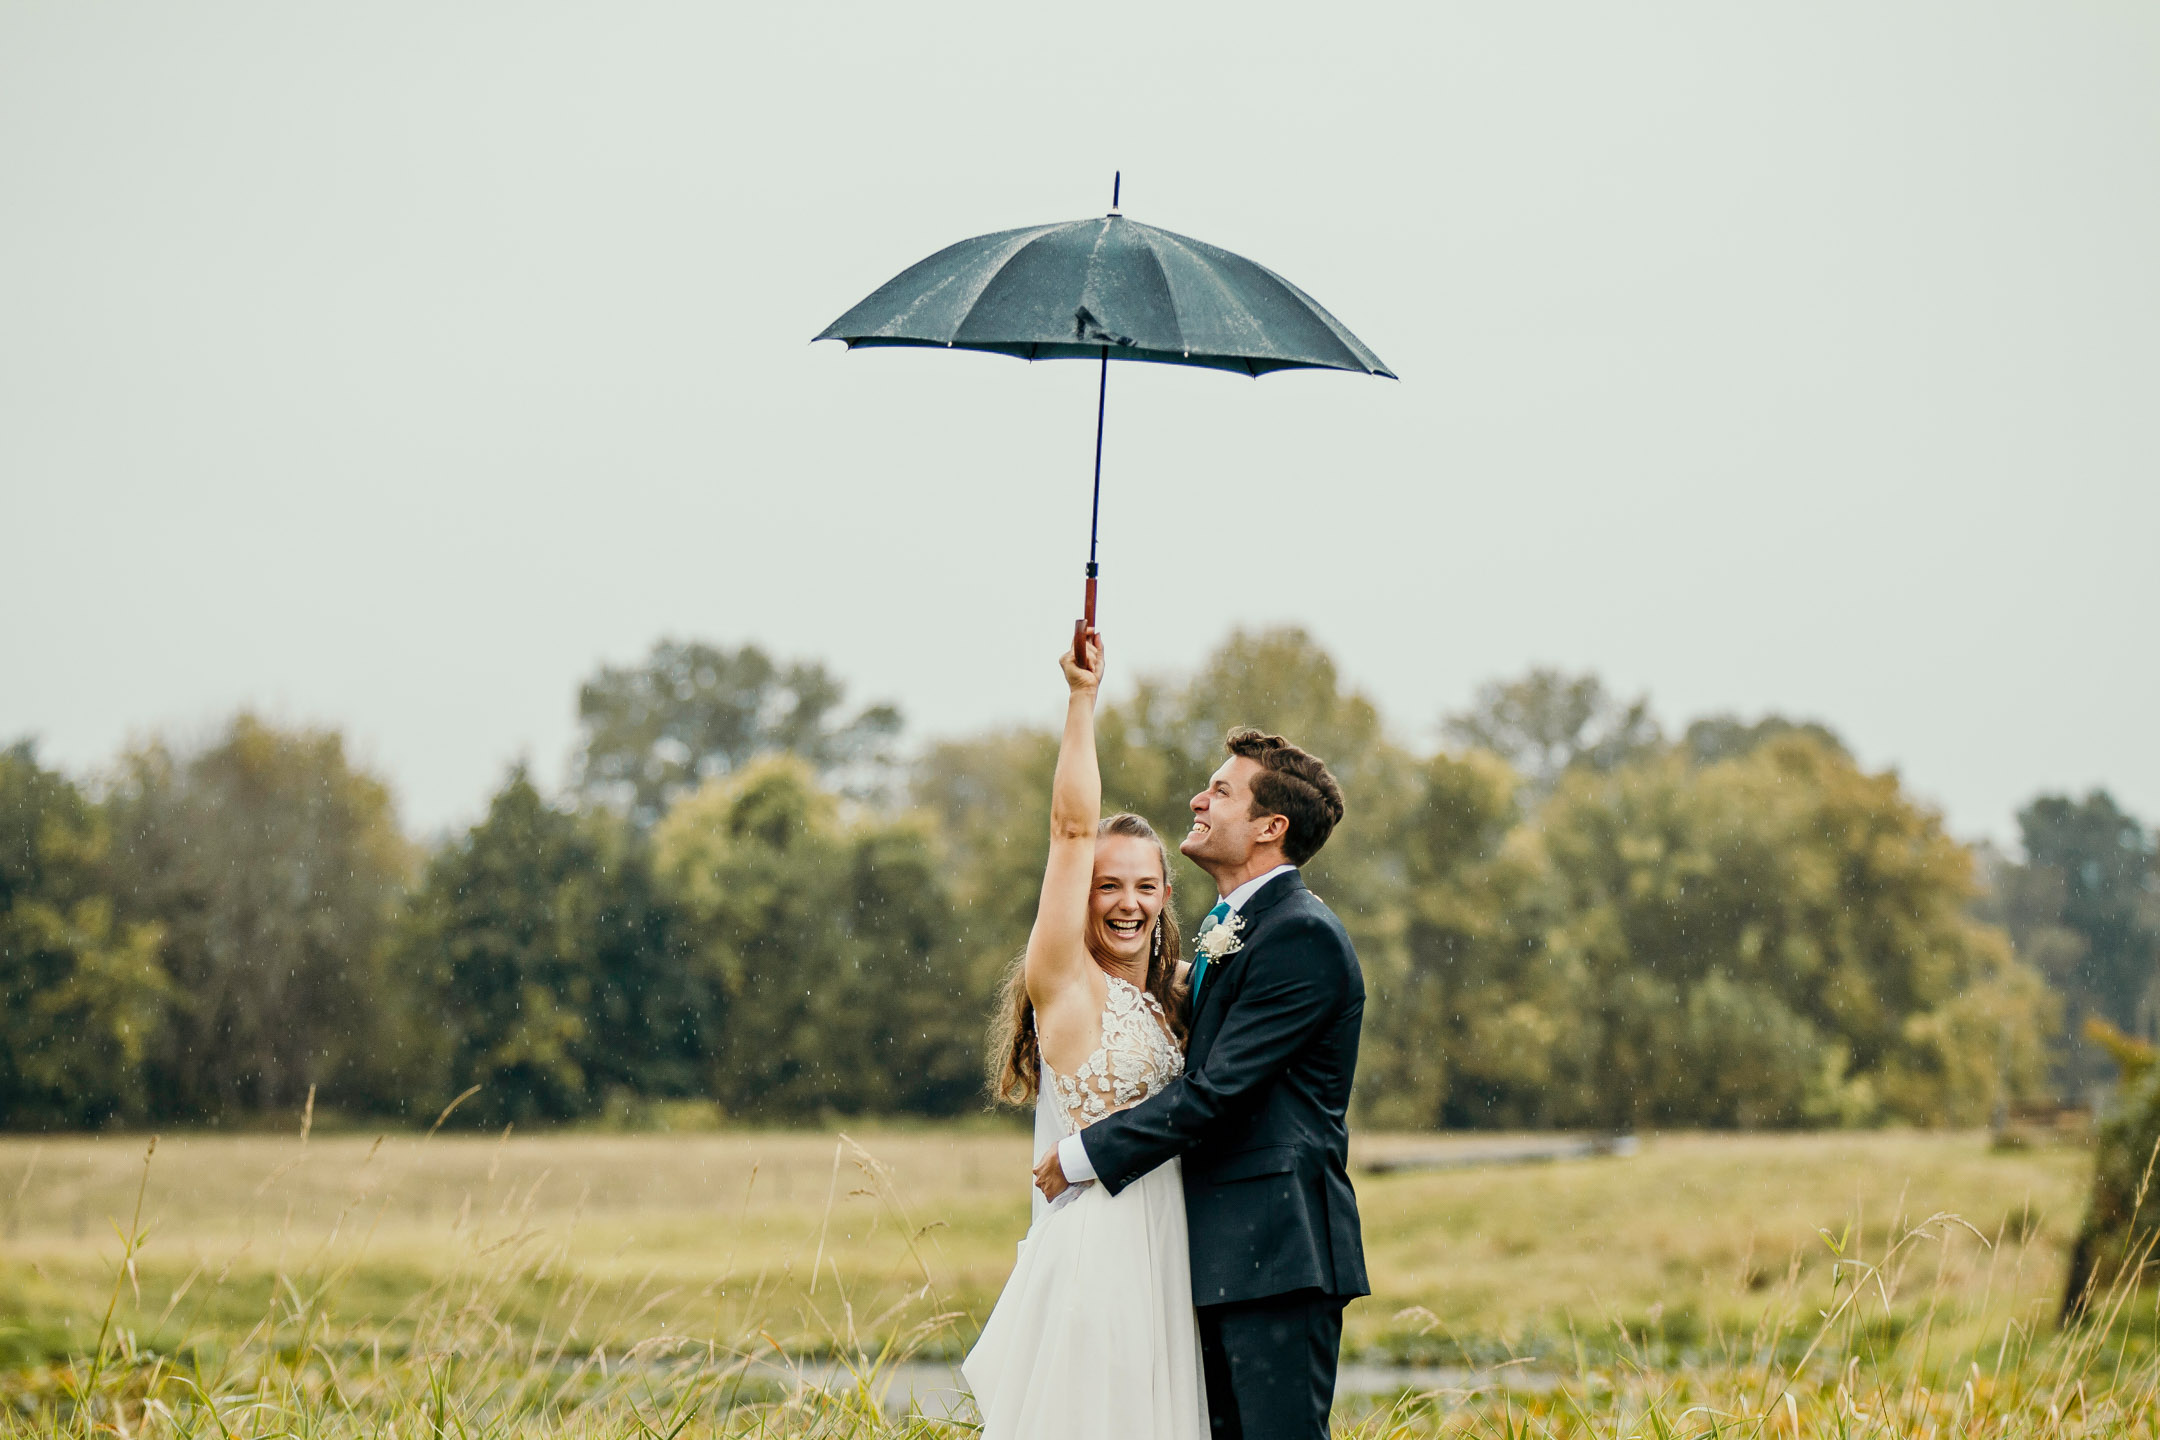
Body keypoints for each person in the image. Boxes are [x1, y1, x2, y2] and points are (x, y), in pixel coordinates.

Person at [1033, 711, 1366, 1440]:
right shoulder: (1236, 931)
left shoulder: (1300, 935)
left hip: (1278, 1256)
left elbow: (1218, 1092)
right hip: (1216, 1255)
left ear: (1269, 827)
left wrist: (1085, 1154)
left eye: (1220, 792)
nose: (1198, 800)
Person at [961, 629, 1209, 1440]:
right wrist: (1081, 699)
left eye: (1144, 885)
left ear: (1168, 893)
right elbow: (1071, 830)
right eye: (1107, 886)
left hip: (1171, 1250)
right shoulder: (1067, 985)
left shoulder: (1178, 997)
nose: (1127, 903)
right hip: (1099, 1257)